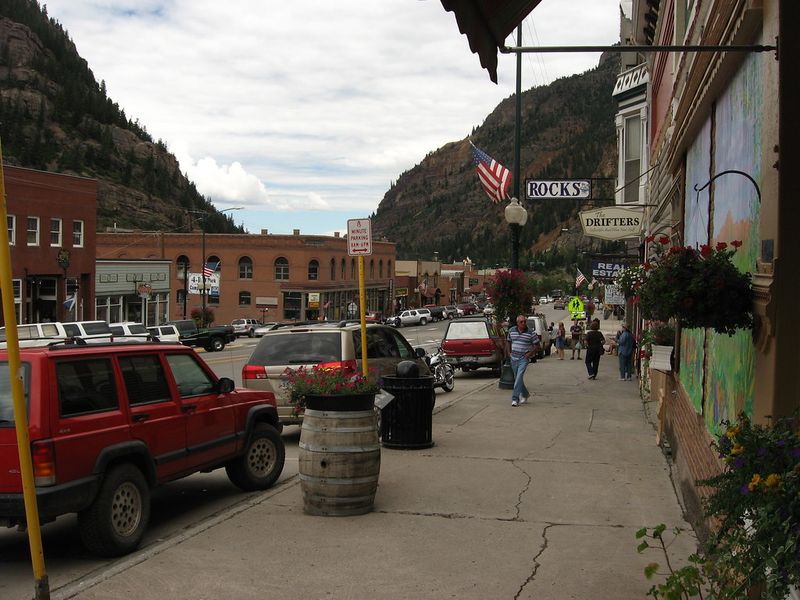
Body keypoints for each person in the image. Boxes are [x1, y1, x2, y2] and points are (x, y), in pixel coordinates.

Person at [505, 315, 539, 407]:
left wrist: (529, 354)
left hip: (523, 359)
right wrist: (509, 353)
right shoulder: (512, 330)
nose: (523, 323)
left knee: (519, 376)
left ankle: (515, 399)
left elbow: (536, 344)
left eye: (524, 321)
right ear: (517, 323)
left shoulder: (530, 332)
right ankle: (525, 394)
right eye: (521, 322)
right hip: (514, 358)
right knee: (517, 378)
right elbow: (508, 341)